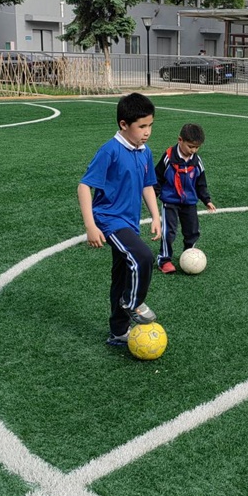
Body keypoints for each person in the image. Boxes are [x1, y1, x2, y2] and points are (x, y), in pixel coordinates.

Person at [78, 92, 163, 346]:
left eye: (150, 126)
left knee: (123, 275)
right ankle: (132, 302)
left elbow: (148, 186)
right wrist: (91, 226)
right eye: (142, 126)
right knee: (143, 257)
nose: (147, 132)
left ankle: (118, 333)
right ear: (123, 125)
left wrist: (156, 216)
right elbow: (84, 186)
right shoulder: (110, 150)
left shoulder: (144, 151)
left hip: (129, 222)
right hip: (109, 220)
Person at [154, 123, 216, 274]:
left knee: (192, 231)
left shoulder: (197, 161)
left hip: (189, 202)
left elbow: (201, 183)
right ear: (180, 140)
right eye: (190, 147)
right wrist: (153, 195)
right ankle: (164, 259)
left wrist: (206, 200)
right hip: (170, 201)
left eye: (197, 147)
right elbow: (157, 177)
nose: (193, 151)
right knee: (169, 231)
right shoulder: (168, 157)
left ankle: (189, 254)